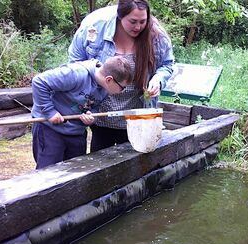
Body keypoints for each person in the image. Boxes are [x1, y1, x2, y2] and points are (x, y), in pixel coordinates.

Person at [68, 0, 174, 153]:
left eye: (142, 21)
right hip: (101, 116)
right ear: (120, 16)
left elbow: (167, 64)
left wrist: (158, 79)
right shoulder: (94, 29)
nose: (138, 27)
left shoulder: (156, 35)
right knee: (101, 166)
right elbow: (75, 67)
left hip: (137, 119)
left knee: (134, 166)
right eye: (132, 21)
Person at [31, 56, 133, 169]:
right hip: (50, 130)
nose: (121, 91)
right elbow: (39, 82)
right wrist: (50, 112)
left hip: (76, 133)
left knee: (76, 173)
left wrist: (91, 117)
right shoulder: (76, 74)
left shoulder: (105, 89)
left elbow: (94, 107)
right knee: (47, 173)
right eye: (122, 88)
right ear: (109, 79)